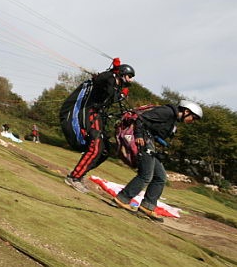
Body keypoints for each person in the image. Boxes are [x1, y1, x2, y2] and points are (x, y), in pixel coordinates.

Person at [111, 100, 203, 222]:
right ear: (186, 111)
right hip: (143, 142)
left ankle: (147, 206)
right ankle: (122, 199)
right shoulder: (167, 112)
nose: (193, 121)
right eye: (194, 118)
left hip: (149, 143)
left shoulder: (173, 119)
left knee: (160, 177)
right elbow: (141, 119)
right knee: (145, 175)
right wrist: (139, 135)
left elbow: (154, 128)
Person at [64, 63, 135, 194]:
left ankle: (81, 173)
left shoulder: (115, 86)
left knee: (105, 151)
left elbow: (112, 95)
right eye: (129, 76)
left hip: (99, 117)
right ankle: (74, 177)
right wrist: (113, 70)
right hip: (90, 114)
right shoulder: (108, 79)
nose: (131, 80)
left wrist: (121, 95)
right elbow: (101, 79)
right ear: (122, 74)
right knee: (96, 147)